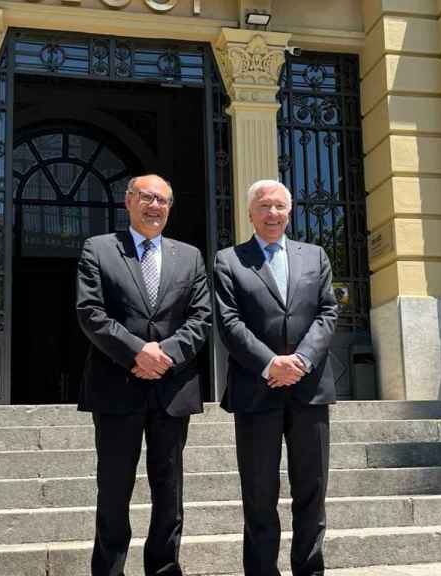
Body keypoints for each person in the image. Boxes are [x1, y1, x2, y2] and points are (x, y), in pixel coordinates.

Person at [76, 174, 212, 576]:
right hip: (117, 384)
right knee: (114, 489)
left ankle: (164, 567)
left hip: (172, 388)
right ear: (129, 200)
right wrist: (137, 351)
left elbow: (201, 318)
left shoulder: (189, 256)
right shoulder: (99, 249)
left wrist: (165, 355)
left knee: (169, 491)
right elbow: (90, 313)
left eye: (164, 201)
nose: (155, 207)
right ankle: (109, 569)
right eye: (148, 198)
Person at [213, 179, 339, 576]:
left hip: (309, 390)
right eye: (264, 206)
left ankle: (309, 570)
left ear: (290, 211)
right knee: (259, 493)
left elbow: (327, 311)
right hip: (255, 391)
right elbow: (229, 322)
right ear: (250, 213)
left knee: (312, 491)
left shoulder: (315, 256)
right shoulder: (228, 260)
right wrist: (271, 364)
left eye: (280, 206)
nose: (272, 214)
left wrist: (300, 360)